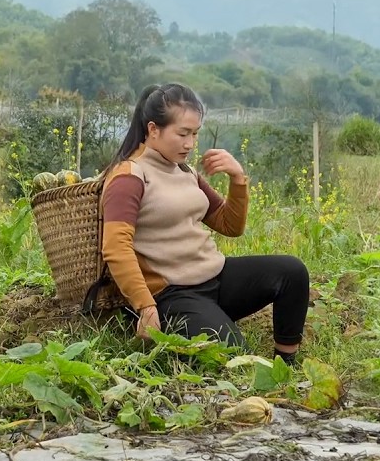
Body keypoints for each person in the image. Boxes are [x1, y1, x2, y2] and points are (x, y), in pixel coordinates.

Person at [100, 83, 310, 365]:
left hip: (215, 277)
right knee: (234, 355)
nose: (190, 143)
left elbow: (229, 225)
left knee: (291, 272)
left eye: (195, 133)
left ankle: (287, 363)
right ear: (153, 129)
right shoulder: (129, 177)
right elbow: (116, 247)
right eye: (182, 133)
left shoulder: (184, 171)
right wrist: (145, 305)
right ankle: (195, 328)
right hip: (172, 295)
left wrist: (237, 179)